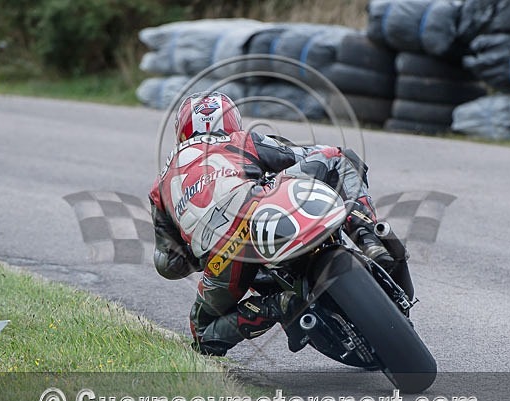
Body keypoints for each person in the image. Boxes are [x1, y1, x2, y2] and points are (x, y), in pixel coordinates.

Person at [149, 91, 411, 356]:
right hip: (258, 205)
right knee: (338, 158)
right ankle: (369, 238)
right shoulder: (241, 139)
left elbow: (168, 264)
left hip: (222, 256)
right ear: (231, 121)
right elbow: (304, 155)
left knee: (203, 335)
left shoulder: (160, 187)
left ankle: (279, 304)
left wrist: (201, 248)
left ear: (181, 130)